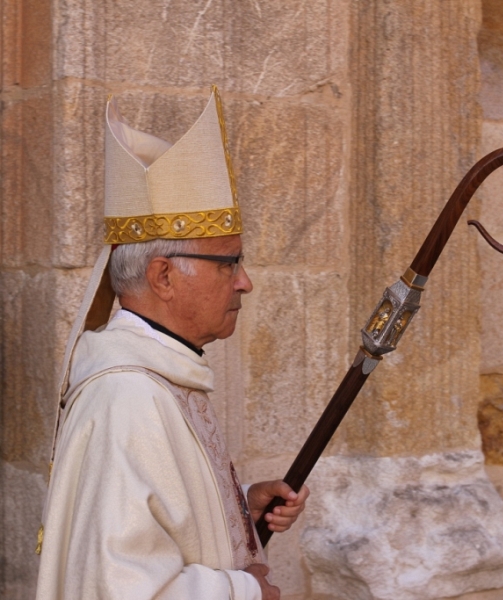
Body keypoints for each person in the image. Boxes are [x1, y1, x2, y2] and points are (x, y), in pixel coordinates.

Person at [35, 86, 309, 600]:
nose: (244, 281)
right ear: (163, 276)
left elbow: (155, 526)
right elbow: (122, 587)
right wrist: (245, 592)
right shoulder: (127, 399)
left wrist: (238, 509)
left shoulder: (161, 376)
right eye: (230, 263)